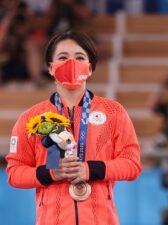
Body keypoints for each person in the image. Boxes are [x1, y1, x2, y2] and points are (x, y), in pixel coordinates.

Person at [6, 31, 142, 225]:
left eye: (79, 57)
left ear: (90, 68)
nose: (71, 63)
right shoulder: (32, 119)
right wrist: (52, 172)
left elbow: (132, 164)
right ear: (51, 68)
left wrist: (89, 170)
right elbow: (15, 172)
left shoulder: (114, 112)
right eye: (63, 57)